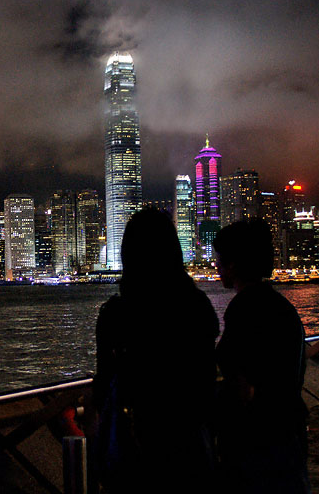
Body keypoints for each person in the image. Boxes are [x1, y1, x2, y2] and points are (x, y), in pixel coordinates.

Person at [92, 209, 219, 492]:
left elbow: (103, 388)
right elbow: (206, 381)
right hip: (190, 449)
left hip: (136, 454)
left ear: (129, 255)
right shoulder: (197, 308)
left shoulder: (115, 315)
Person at [213, 220, 310, 493]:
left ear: (233, 264)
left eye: (219, 260)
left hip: (258, 440)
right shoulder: (282, 306)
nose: (216, 266)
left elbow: (242, 385)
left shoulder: (244, 309)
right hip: (290, 429)